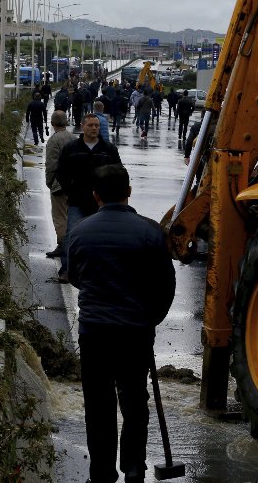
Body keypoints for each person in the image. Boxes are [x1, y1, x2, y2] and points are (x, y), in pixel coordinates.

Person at [67, 164, 176, 483]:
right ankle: (133, 468)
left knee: (99, 405)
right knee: (134, 402)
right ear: (129, 191)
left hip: (95, 332)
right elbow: (165, 286)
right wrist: (150, 319)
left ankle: (101, 473)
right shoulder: (151, 232)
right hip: (135, 333)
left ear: (95, 195)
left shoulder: (80, 232)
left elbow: (75, 276)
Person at [55, 114, 122, 283]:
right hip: (77, 200)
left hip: (102, 202)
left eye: (97, 126)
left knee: (103, 236)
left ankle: (99, 270)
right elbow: (61, 172)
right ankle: (67, 270)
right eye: (91, 125)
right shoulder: (72, 148)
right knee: (71, 235)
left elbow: (118, 172)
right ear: (82, 126)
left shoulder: (108, 149)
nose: (94, 128)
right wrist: (69, 190)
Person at [44, 110, 76, 258]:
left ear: (52, 123)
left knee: (59, 216)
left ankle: (62, 245)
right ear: (66, 122)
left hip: (59, 184)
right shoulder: (74, 138)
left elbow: (51, 165)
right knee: (72, 215)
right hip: (75, 183)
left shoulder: (54, 140)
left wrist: (50, 183)